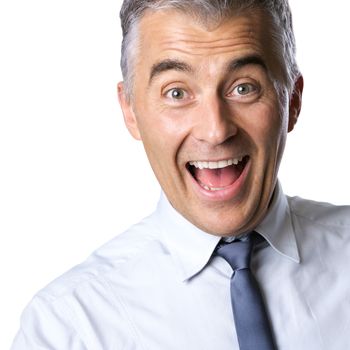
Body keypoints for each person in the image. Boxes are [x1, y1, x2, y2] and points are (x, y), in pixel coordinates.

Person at [11, 0, 350, 349]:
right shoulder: (66, 329)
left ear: (292, 101)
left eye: (243, 87)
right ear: (130, 110)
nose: (216, 130)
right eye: (176, 92)